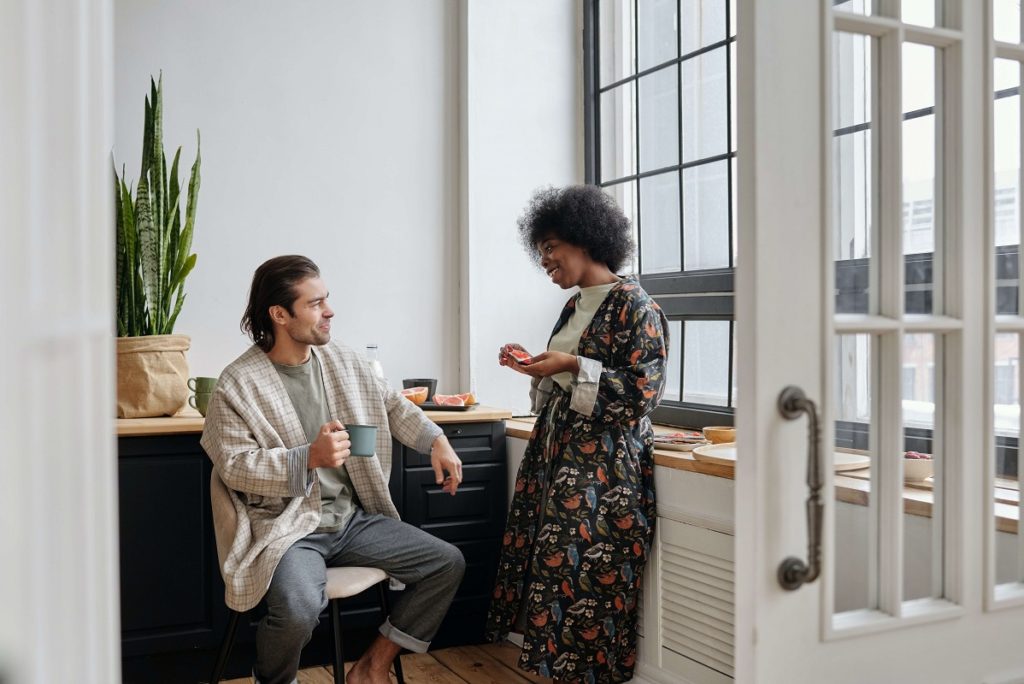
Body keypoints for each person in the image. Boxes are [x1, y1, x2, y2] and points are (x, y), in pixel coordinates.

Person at [201, 255, 466, 684]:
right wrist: (309, 457)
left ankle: (372, 666)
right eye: (315, 303)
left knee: (445, 563)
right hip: (288, 527)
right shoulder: (238, 383)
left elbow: (393, 405)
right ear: (280, 315)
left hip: (352, 521)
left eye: (327, 299)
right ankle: (274, 680)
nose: (329, 310)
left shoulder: (344, 361)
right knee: (299, 607)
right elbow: (234, 466)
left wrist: (436, 440)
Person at [485, 186, 669, 683]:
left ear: (585, 239)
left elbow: (643, 394)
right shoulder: (574, 306)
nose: (544, 260)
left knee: (584, 579)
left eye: (550, 247)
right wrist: (537, 368)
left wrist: (572, 364)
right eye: (540, 249)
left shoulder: (636, 306)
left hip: (604, 471)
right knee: (549, 574)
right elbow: (571, 379)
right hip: (556, 452)